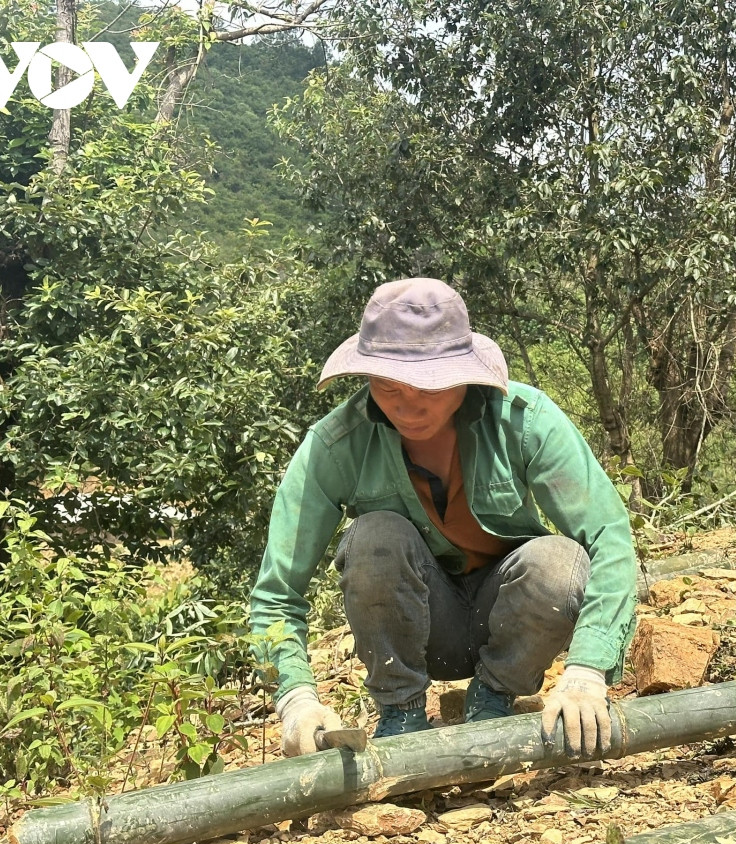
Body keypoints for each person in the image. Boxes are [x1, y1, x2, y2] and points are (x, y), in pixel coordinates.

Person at [249, 277, 637, 759]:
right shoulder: (335, 445)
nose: (407, 405)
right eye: (388, 385)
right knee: (374, 538)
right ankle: (401, 711)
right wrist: (296, 701)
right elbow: (276, 593)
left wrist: (586, 674)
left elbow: (610, 537)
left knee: (560, 562)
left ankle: (493, 697)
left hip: (510, 623)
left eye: (428, 387)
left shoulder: (525, 419)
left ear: (464, 376)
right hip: (419, 629)